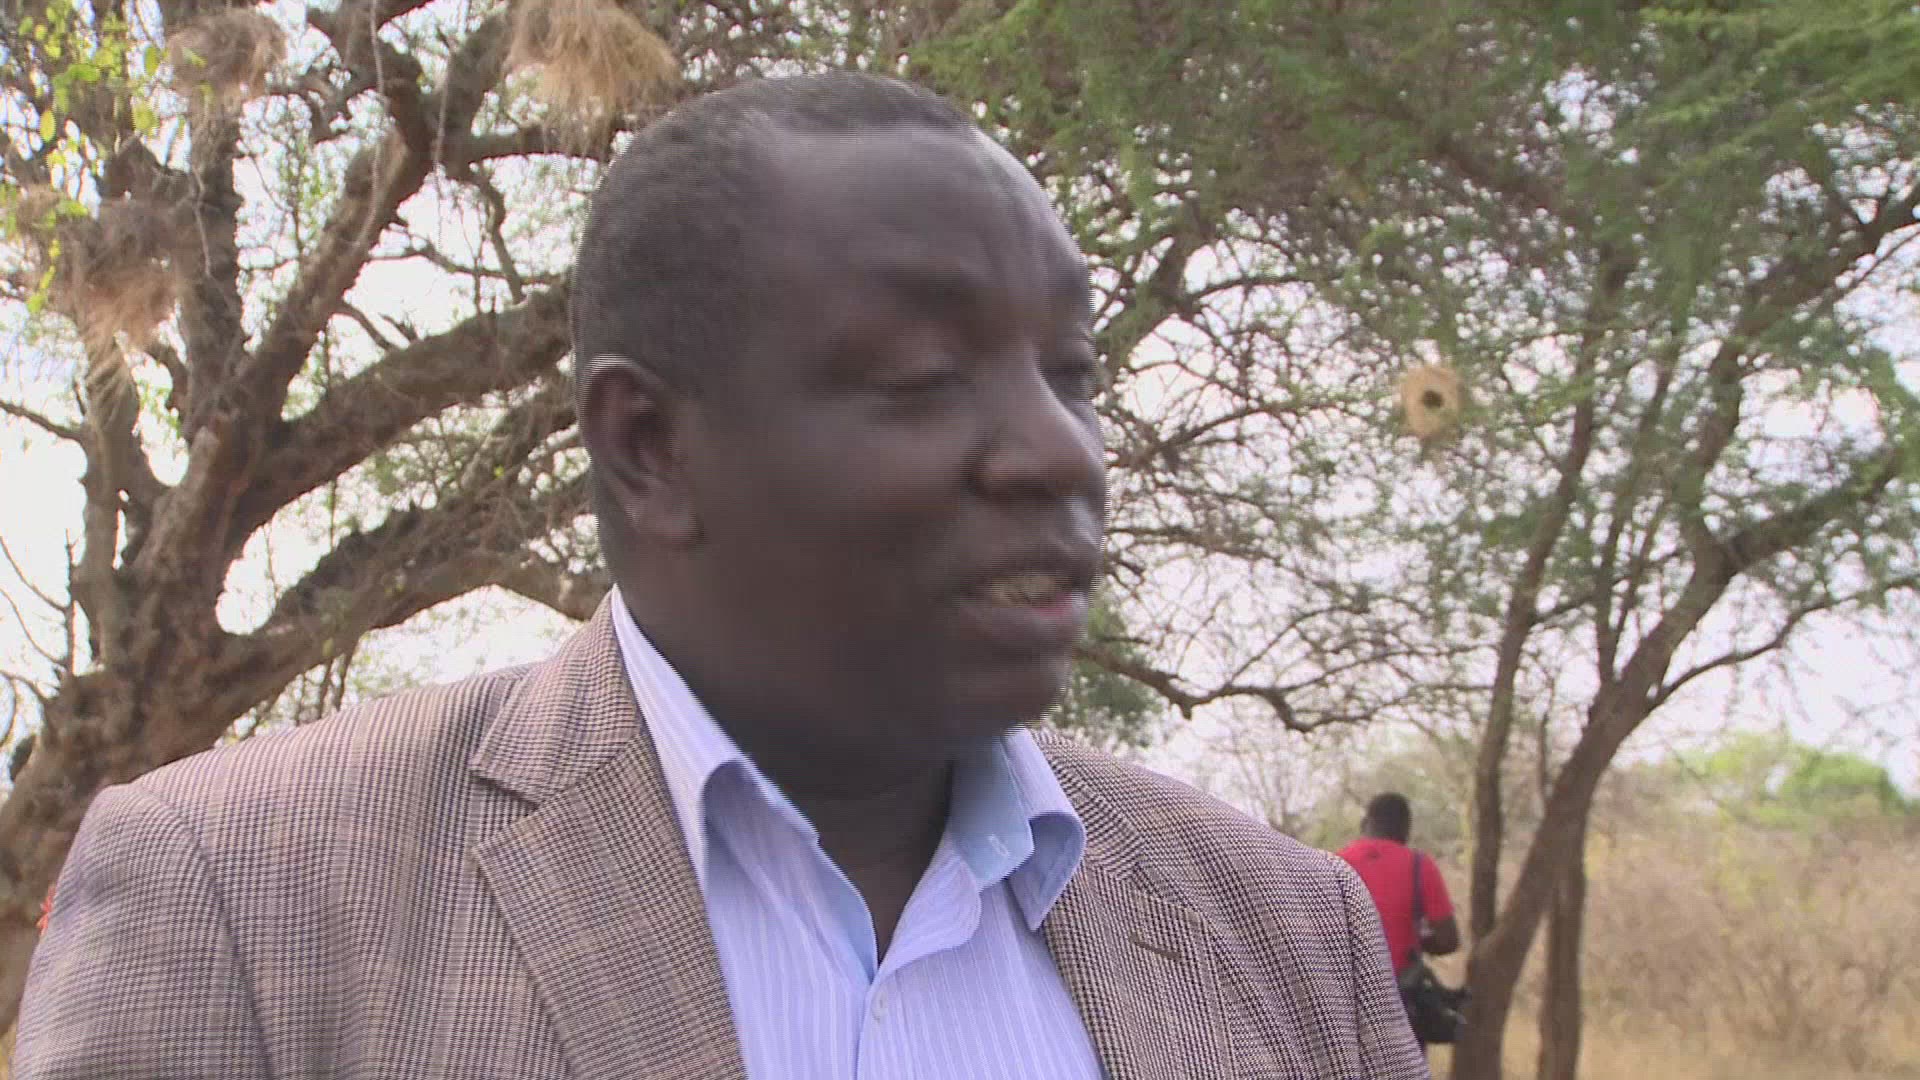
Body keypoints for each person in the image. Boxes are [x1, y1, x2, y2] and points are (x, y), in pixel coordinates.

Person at [15, 74, 1428, 1079]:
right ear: (649, 448)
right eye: (924, 375)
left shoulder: (1285, 937)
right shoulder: (245, 900)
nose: (1059, 450)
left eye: (1072, 373)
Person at [1338, 793, 1461, 993]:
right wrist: (1414, 939)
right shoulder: (1419, 866)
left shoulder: (1333, 864)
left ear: (1365, 824)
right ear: (1406, 829)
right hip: (1398, 994)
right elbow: (1448, 941)